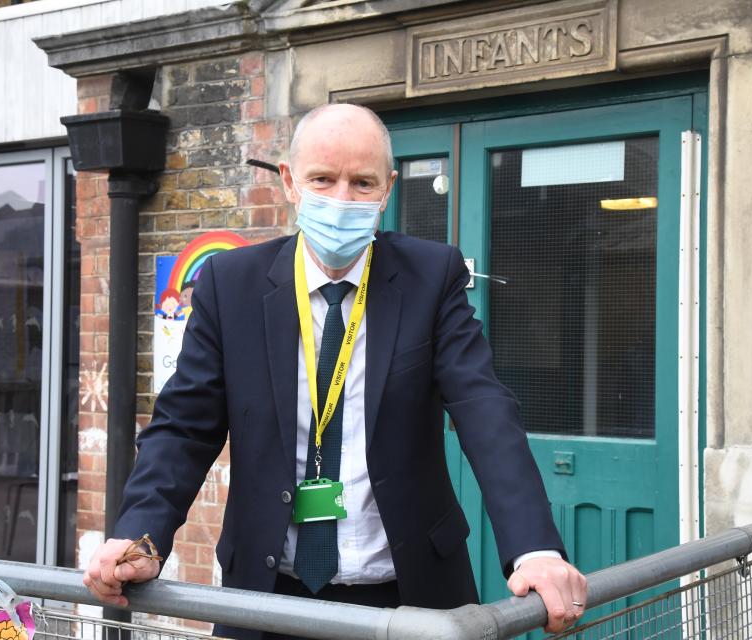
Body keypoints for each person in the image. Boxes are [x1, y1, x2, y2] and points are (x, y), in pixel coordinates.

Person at [84, 103, 587, 638]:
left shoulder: (430, 276)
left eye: (362, 182)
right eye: (323, 179)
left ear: (388, 188)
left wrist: (534, 547)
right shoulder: (230, 286)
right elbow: (184, 428)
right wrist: (140, 533)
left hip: (410, 595)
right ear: (289, 182)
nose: (342, 199)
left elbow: (484, 410)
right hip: (267, 596)